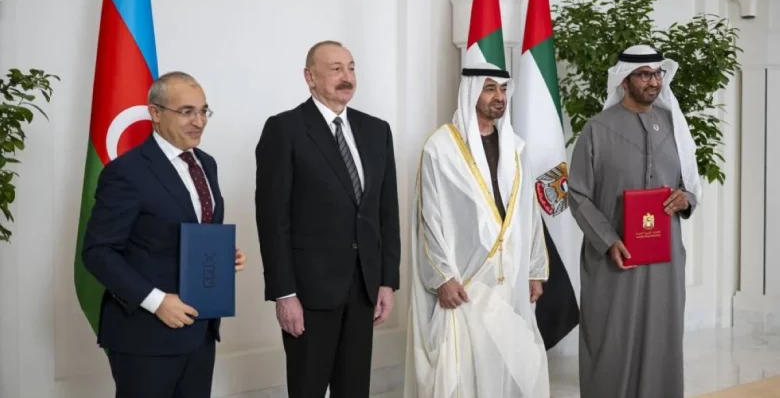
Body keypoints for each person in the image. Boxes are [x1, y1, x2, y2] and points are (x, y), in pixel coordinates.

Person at [81, 71, 247, 398]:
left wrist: (222, 255)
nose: (199, 121)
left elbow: (190, 231)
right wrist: (156, 302)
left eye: (203, 111)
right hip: (145, 335)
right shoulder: (126, 172)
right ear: (155, 113)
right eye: (187, 111)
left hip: (200, 330)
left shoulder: (207, 164)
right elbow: (98, 252)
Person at [254, 40, 401, 398]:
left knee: (354, 390)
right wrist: (284, 293)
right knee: (308, 389)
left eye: (351, 68)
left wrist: (386, 281)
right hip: (309, 293)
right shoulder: (284, 129)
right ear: (310, 77)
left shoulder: (376, 130)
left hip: (364, 288)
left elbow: (386, 213)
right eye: (335, 69)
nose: (346, 77)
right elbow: (273, 221)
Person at [403, 62, 550, 398]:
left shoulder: (516, 148)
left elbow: (529, 213)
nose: (499, 97)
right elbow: (428, 219)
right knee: (463, 370)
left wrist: (534, 269)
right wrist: (442, 277)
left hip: (510, 278)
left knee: (512, 364)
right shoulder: (440, 148)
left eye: (503, 89)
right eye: (489, 88)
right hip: (465, 282)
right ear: (470, 92)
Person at [568, 45, 702, 398]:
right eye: (644, 75)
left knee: (662, 335)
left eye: (658, 74)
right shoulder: (597, 129)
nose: (654, 82)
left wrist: (686, 198)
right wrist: (608, 240)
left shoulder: (674, 126)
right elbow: (577, 194)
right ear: (624, 81)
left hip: (664, 260)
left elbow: (690, 184)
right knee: (610, 340)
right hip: (614, 257)